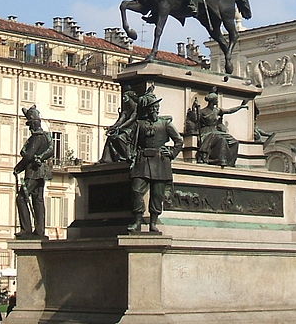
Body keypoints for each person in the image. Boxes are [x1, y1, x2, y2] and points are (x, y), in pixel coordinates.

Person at [128, 89, 183, 233]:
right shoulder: (139, 124)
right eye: (152, 107)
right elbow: (132, 142)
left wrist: (171, 153)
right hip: (142, 160)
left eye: (156, 107)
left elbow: (179, 141)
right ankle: (138, 220)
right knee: (136, 190)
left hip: (160, 161)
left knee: (157, 194)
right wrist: (131, 155)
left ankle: (153, 222)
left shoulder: (165, 124)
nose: (155, 109)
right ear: (148, 109)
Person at [13, 105, 54, 239]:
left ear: (33, 124)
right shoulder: (45, 137)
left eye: (30, 124)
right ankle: (40, 231)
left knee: (21, 198)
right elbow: (50, 150)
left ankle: (26, 229)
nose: (29, 127)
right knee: (38, 200)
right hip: (42, 173)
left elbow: (29, 155)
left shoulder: (36, 138)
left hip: (33, 172)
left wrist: (18, 168)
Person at [190, 92, 248, 167]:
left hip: (216, 131)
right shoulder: (202, 111)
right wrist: (194, 109)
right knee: (221, 139)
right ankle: (217, 159)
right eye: (216, 99)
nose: (217, 101)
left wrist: (240, 107)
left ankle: (230, 161)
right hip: (206, 132)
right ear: (212, 101)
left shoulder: (217, 110)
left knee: (234, 142)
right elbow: (194, 120)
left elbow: (229, 111)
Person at [99, 89, 138, 163]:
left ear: (130, 97)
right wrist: (112, 127)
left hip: (132, 129)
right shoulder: (126, 109)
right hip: (124, 128)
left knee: (119, 137)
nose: (123, 99)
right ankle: (106, 159)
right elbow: (120, 120)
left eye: (125, 97)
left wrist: (120, 128)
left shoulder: (135, 107)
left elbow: (131, 119)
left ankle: (127, 156)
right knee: (111, 137)